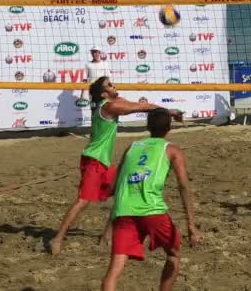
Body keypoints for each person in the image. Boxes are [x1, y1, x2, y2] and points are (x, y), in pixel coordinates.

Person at [51, 77, 183, 254]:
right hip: (93, 160)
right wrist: (170, 112)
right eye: (110, 85)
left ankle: (106, 235)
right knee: (83, 200)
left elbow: (138, 105)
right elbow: (141, 107)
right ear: (104, 93)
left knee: (120, 191)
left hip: (103, 161)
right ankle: (58, 238)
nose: (115, 86)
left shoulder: (112, 103)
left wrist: (166, 111)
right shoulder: (109, 107)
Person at [101, 108, 200, 291]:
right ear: (169, 128)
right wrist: (191, 225)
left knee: (114, 271)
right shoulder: (171, 150)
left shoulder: (132, 147)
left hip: (124, 212)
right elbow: (184, 186)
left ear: (147, 126)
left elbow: (115, 187)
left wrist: (109, 225)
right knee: (174, 254)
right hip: (153, 212)